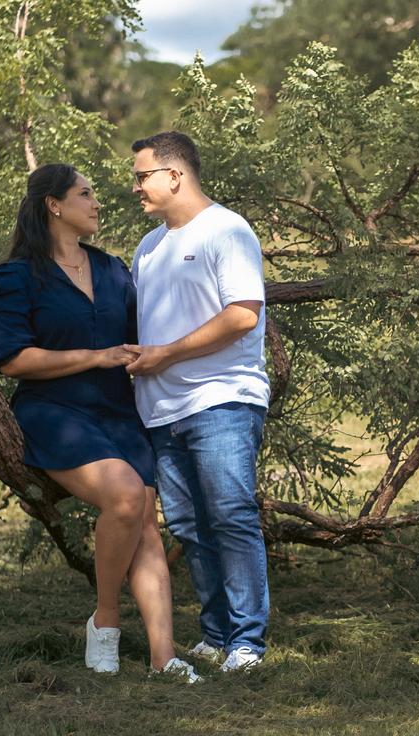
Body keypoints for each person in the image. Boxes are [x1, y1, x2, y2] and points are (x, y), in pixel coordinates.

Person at [0, 163, 199, 682]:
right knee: (126, 496)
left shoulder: (112, 270)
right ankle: (105, 620)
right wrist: (95, 357)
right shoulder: (17, 276)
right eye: (85, 194)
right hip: (54, 411)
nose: (97, 203)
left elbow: (146, 330)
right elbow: (12, 358)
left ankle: (164, 659)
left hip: (121, 411)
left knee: (145, 521)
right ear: (54, 205)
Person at [123, 131, 271, 672]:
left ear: (174, 176)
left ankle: (248, 643)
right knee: (188, 526)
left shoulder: (226, 230)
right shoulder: (147, 248)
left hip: (222, 400)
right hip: (161, 410)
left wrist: (166, 354)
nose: (135, 187)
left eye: (142, 176)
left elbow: (243, 315)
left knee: (230, 517)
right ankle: (216, 634)